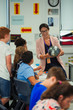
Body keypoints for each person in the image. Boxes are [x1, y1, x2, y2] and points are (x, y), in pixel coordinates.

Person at [0, 27, 12, 105]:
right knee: (6, 97)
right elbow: (8, 64)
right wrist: (10, 73)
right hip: (3, 76)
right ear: (6, 35)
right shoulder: (6, 47)